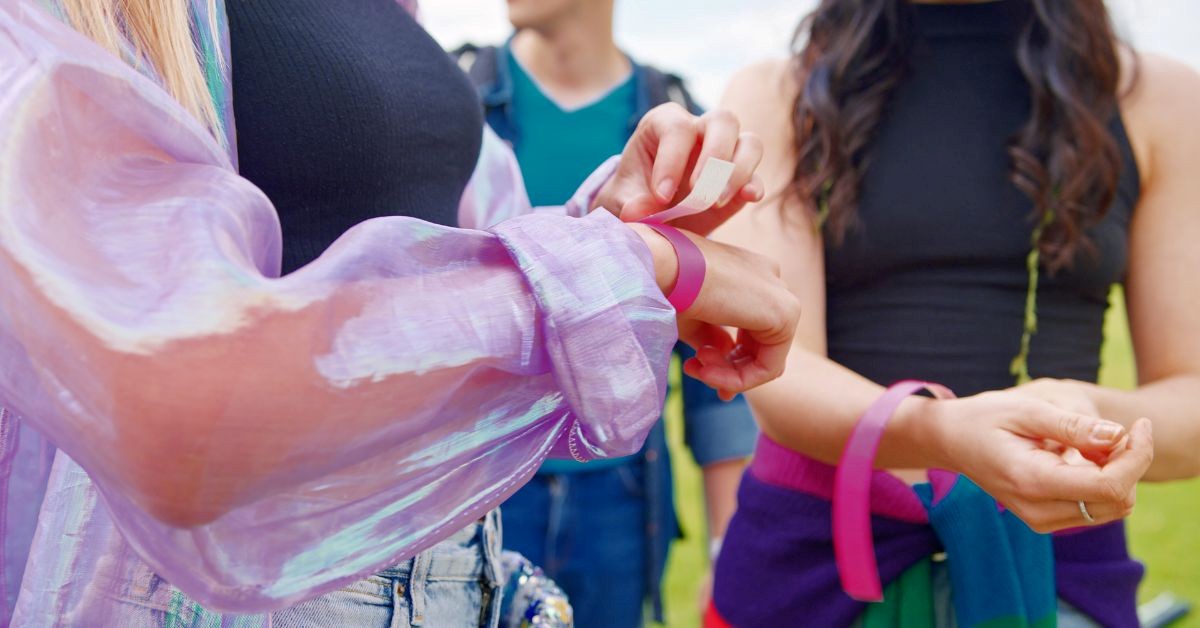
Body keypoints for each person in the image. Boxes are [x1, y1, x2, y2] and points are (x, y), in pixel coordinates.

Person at [0, 1, 799, 625]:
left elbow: (449, 275)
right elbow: (172, 404)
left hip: (463, 569)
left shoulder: (399, 17)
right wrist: (631, 269)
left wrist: (616, 228)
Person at [701, 0, 1200, 626]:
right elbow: (778, 367)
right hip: (813, 570)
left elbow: (1191, 395)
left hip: (1053, 574)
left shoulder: (1160, 98)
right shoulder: (778, 92)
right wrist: (945, 436)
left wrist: (1089, 417)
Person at [452, 1, 758, 624]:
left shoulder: (668, 114)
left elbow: (712, 354)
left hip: (622, 498)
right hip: (484, 485)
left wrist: (727, 549)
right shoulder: (454, 98)